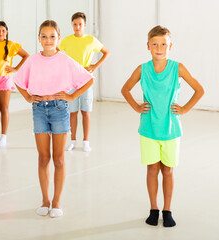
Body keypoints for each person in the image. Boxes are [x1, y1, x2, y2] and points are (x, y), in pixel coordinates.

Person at [121, 25, 204, 227]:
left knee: (167, 171)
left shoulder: (178, 68)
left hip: (171, 128)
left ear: (170, 46)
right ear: (148, 46)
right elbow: (125, 89)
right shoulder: (143, 69)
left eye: (164, 44)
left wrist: (184, 109)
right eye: (155, 44)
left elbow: (199, 90)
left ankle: (167, 210)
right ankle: (153, 208)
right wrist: (137, 107)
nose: (159, 47)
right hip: (149, 128)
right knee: (152, 169)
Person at [13, 20, 94, 218]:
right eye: (44, 36)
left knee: (58, 158)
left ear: (58, 38)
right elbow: (18, 80)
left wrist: (72, 96)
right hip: (39, 109)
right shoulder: (32, 60)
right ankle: (45, 200)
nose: (48, 40)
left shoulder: (65, 60)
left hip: (59, 109)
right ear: (39, 38)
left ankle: (56, 201)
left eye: (52, 36)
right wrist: (27, 96)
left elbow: (88, 79)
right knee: (43, 158)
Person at [58, 12, 109, 152]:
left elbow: (106, 52)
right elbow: (56, 53)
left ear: (85, 25)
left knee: (85, 111)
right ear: (72, 25)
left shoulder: (91, 40)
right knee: (72, 112)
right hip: (71, 81)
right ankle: (73, 141)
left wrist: (94, 66)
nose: (77, 27)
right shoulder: (67, 40)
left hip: (86, 80)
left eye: (80, 24)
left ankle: (86, 141)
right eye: (75, 24)